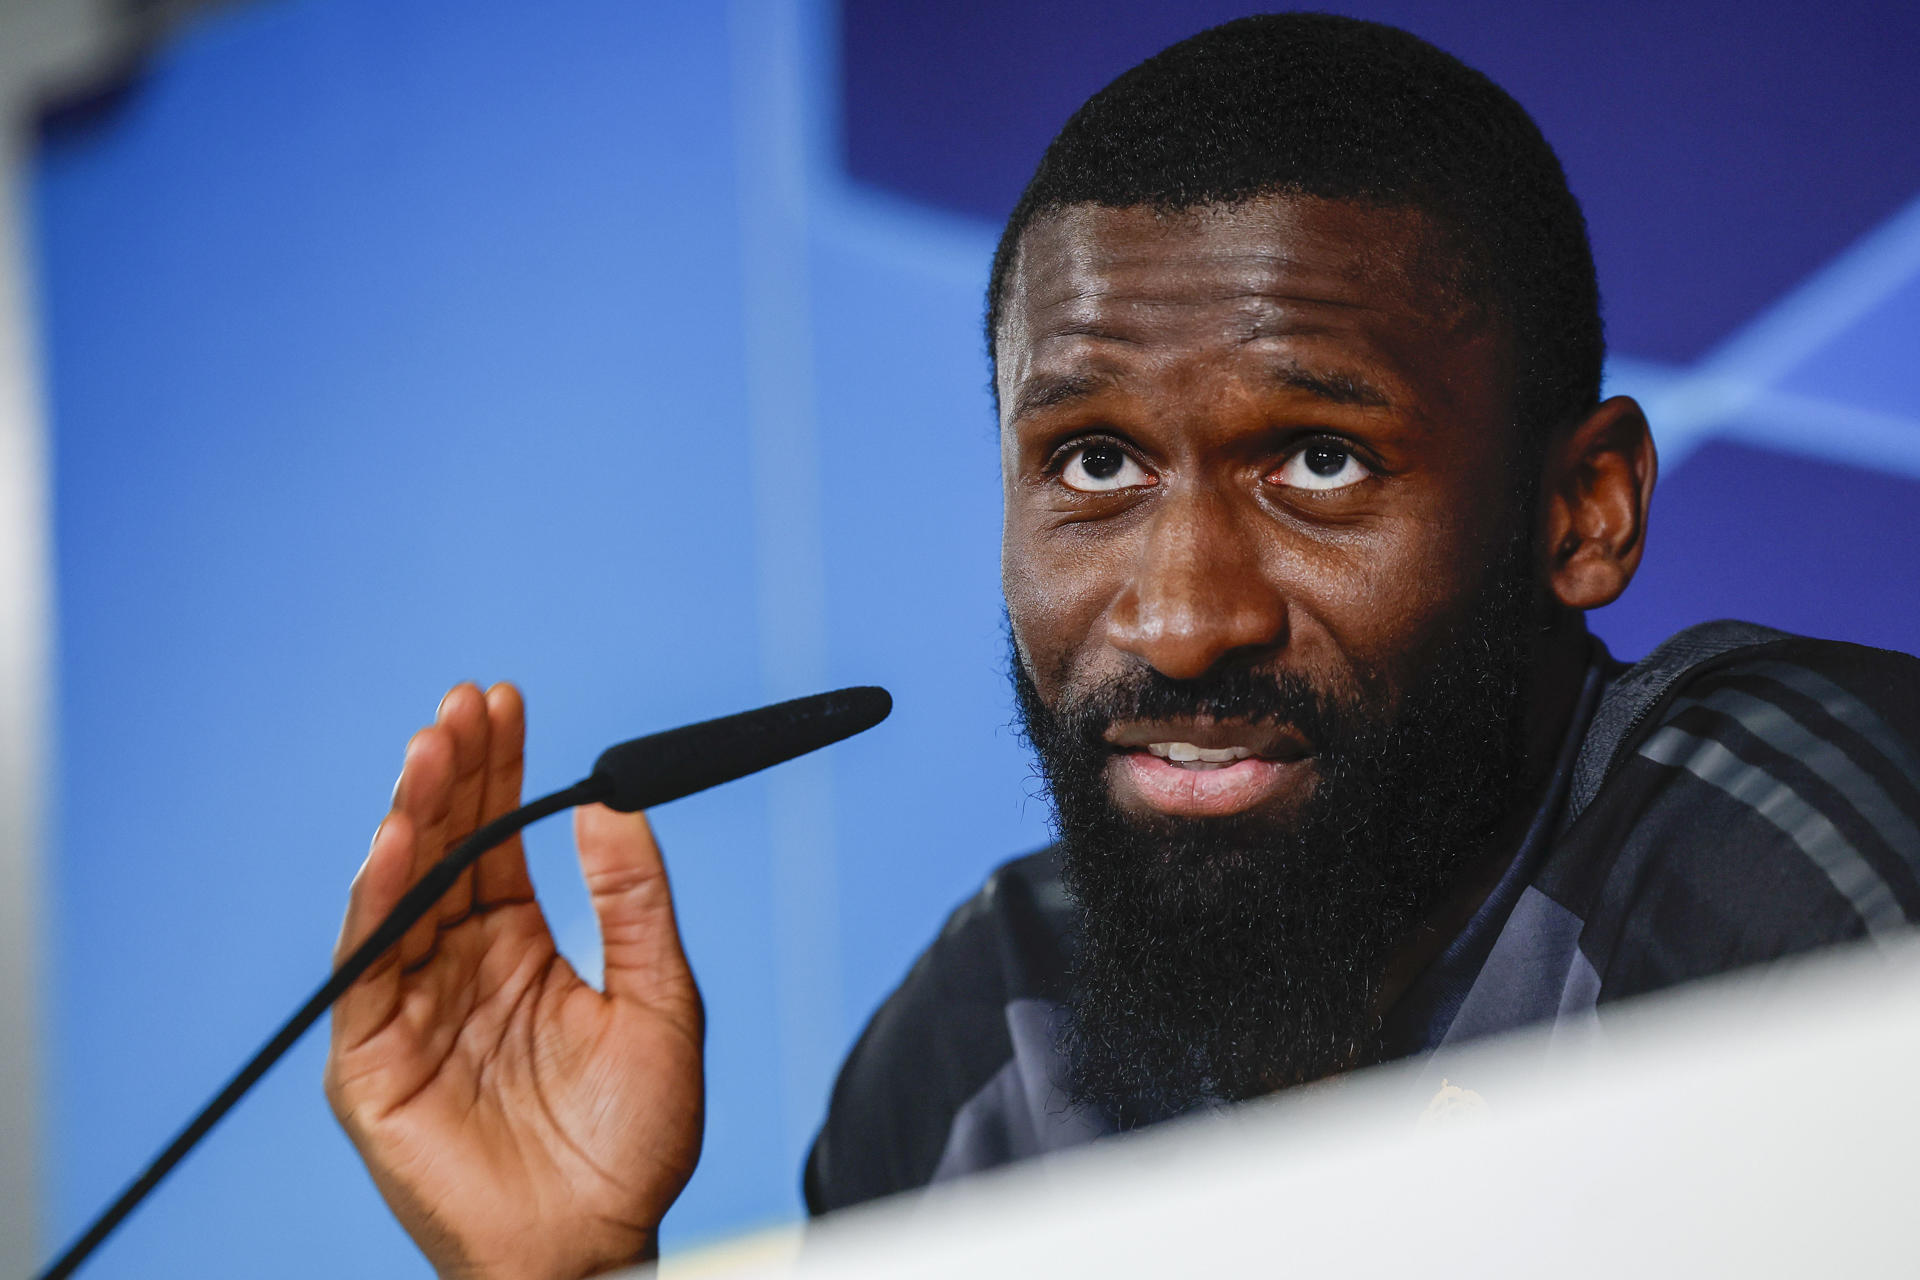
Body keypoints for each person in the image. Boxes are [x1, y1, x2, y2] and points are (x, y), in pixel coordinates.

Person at [323, 14, 1920, 1279]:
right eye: (1094, 463)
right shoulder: (976, 1044)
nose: (1179, 617)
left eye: (1317, 461)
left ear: (1583, 513)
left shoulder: (1778, 867)